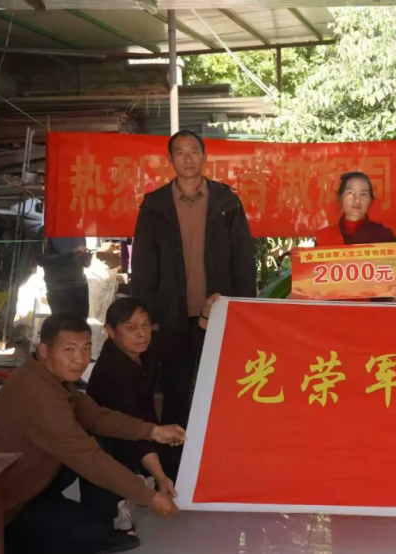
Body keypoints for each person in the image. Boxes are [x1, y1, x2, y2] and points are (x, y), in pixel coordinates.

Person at [0, 313, 184, 554]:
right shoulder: (38, 395)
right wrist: (149, 497)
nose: (80, 359)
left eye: (86, 348)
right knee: (92, 534)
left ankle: (91, 516)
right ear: (45, 351)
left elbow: (97, 417)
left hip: (33, 478)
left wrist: (153, 431)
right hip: (8, 505)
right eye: (69, 350)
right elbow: (87, 457)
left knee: (103, 438)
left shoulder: (50, 376)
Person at [131, 130, 256, 476]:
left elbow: (243, 260)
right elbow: (143, 264)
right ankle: (176, 469)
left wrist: (243, 309)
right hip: (171, 316)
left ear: (204, 157)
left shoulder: (226, 202)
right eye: (180, 152)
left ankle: (222, 461)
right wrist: (148, 315)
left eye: (193, 152)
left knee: (221, 387)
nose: (188, 159)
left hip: (218, 313)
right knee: (175, 389)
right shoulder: (155, 205)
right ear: (170, 160)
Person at [82, 297, 175, 536]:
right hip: (112, 437)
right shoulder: (112, 373)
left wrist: (205, 317)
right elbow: (130, 427)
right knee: (109, 451)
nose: (141, 333)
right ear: (110, 331)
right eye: (131, 327)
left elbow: (184, 343)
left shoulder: (144, 350)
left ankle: (143, 479)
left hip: (141, 428)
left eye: (145, 325)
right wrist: (160, 476)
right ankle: (116, 513)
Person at [315, 171, 396, 303]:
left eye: (363, 194)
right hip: (333, 312)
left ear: (370, 200)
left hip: (373, 312)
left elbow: (395, 282)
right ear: (341, 198)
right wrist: (301, 267)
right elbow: (313, 286)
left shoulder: (383, 235)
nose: (356, 200)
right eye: (350, 193)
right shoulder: (324, 237)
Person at [37, 237, 92, 320]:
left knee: (81, 324)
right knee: (63, 324)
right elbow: (42, 260)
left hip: (81, 286)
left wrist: (87, 259)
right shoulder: (46, 233)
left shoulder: (79, 232)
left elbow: (84, 263)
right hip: (59, 290)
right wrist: (71, 254)